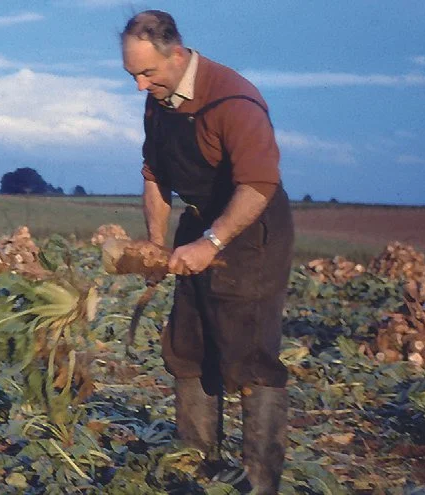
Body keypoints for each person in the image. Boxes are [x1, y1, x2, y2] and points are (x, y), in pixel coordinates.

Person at [120, 10, 294, 494]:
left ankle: (260, 484)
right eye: (131, 75)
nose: (139, 86)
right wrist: (157, 244)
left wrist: (211, 242)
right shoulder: (158, 101)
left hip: (251, 230)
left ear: (177, 54)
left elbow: (260, 184)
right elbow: (154, 175)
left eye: (147, 72)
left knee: (248, 357)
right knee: (189, 349)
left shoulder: (234, 99)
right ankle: (195, 471)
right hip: (197, 223)